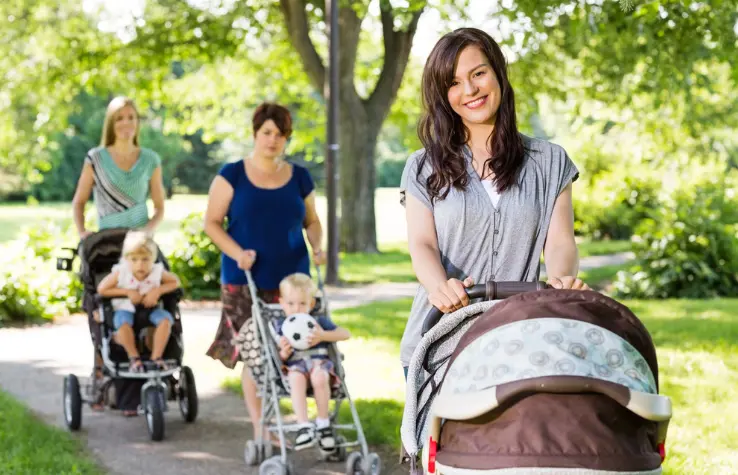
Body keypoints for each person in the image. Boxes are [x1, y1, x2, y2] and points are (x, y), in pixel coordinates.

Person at [399, 27, 590, 380]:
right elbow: (422, 243)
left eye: (478, 74)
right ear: (443, 95)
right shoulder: (423, 166)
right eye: (453, 83)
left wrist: (562, 281)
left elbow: (560, 240)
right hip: (439, 344)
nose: (469, 90)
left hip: (517, 343)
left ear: (498, 73)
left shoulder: (550, 162)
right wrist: (440, 287)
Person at [203, 102, 325, 447]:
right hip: (245, 280)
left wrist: (317, 246)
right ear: (255, 134)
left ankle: (308, 419)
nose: (273, 140)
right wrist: (237, 253)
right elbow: (212, 223)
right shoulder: (233, 174)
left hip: (293, 284)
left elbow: (311, 221)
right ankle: (261, 427)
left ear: (287, 138)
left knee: (297, 347)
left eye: (280, 134)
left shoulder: (299, 176)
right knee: (256, 356)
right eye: (267, 132)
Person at [71, 96, 167, 411]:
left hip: (139, 244)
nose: (127, 123)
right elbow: (79, 201)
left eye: (131, 117)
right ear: (112, 124)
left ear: (137, 122)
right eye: (120, 118)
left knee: (156, 298)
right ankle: (103, 373)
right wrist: (84, 234)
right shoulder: (96, 158)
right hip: (106, 244)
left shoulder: (150, 158)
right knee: (104, 307)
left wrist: (147, 233)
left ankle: (149, 368)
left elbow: (159, 207)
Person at [275, 273, 350, 451]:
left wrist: (323, 335)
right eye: (291, 304)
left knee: (319, 377)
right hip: (296, 367)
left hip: (319, 364)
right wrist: (283, 353)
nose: (296, 309)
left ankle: (323, 424)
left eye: (302, 303)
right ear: (282, 303)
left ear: (311, 304)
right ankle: (304, 426)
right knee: (295, 378)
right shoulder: (281, 327)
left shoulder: (318, 322)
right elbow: (278, 357)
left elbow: (345, 334)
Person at [97, 231, 179, 374]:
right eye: (134, 260)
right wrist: (127, 292)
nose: (140, 265)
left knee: (166, 320)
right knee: (122, 322)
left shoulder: (157, 271)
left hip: (150, 309)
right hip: (125, 309)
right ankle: (134, 358)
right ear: (126, 259)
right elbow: (102, 289)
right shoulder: (121, 272)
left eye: (145, 259)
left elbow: (175, 282)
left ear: (152, 258)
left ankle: (156, 358)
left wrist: (157, 291)